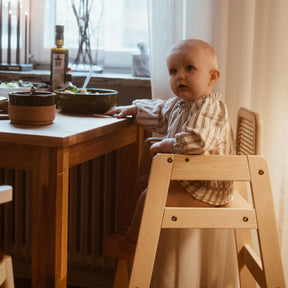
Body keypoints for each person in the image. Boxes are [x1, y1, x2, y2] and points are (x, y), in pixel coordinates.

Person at [103, 39, 235, 260]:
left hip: (208, 186)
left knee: (149, 196)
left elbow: (198, 141)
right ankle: (129, 229)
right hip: (189, 178)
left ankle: (131, 245)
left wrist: (169, 145)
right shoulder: (181, 104)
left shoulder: (211, 107)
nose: (180, 76)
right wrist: (134, 109)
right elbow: (160, 111)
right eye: (173, 71)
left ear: (212, 77)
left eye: (189, 68)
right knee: (141, 181)